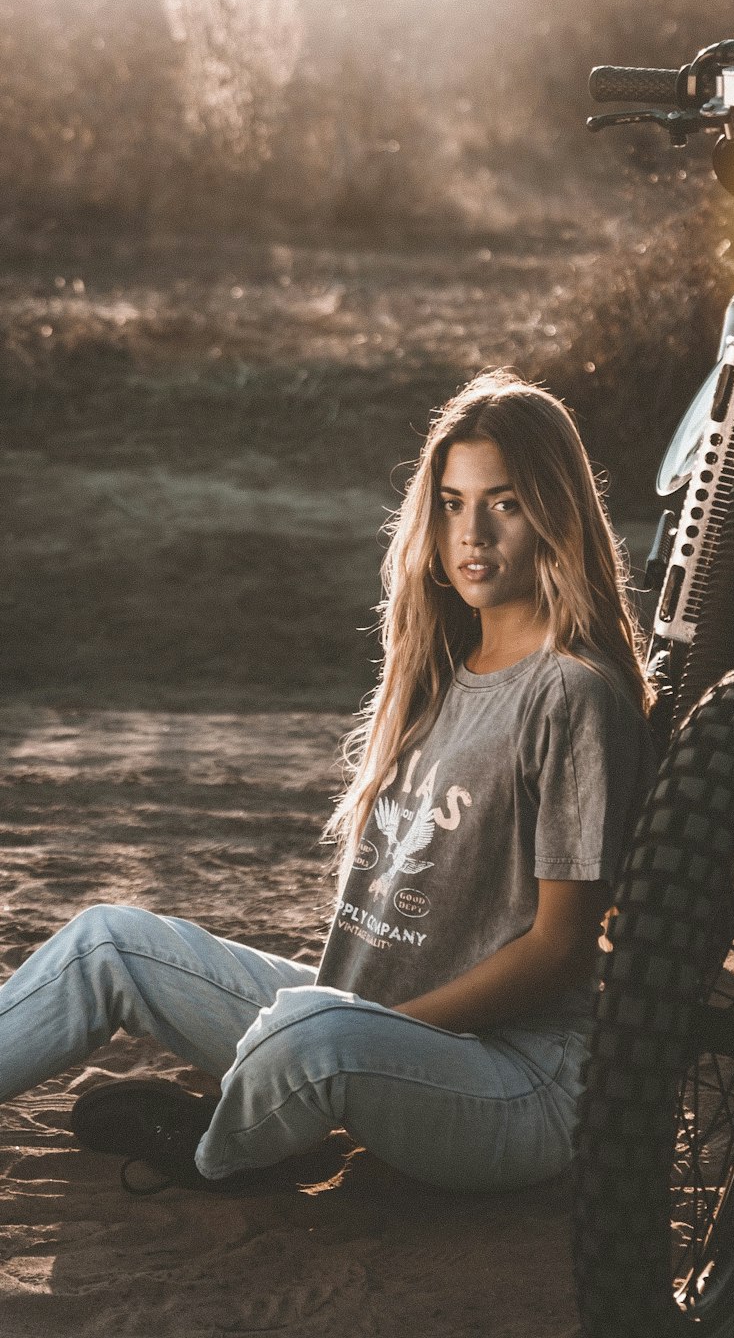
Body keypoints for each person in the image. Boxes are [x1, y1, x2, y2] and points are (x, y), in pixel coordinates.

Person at [0, 370, 655, 1195]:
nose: (472, 533)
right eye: (452, 503)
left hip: (521, 1081)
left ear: (555, 513)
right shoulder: (443, 670)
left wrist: (359, 1027)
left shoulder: (574, 693)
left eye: (506, 502)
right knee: (108, 944)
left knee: (311, 1031)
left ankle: (223, 1153)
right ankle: (281, 1107)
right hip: (361, 1027)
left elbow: (559, 951)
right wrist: (353, 1020)